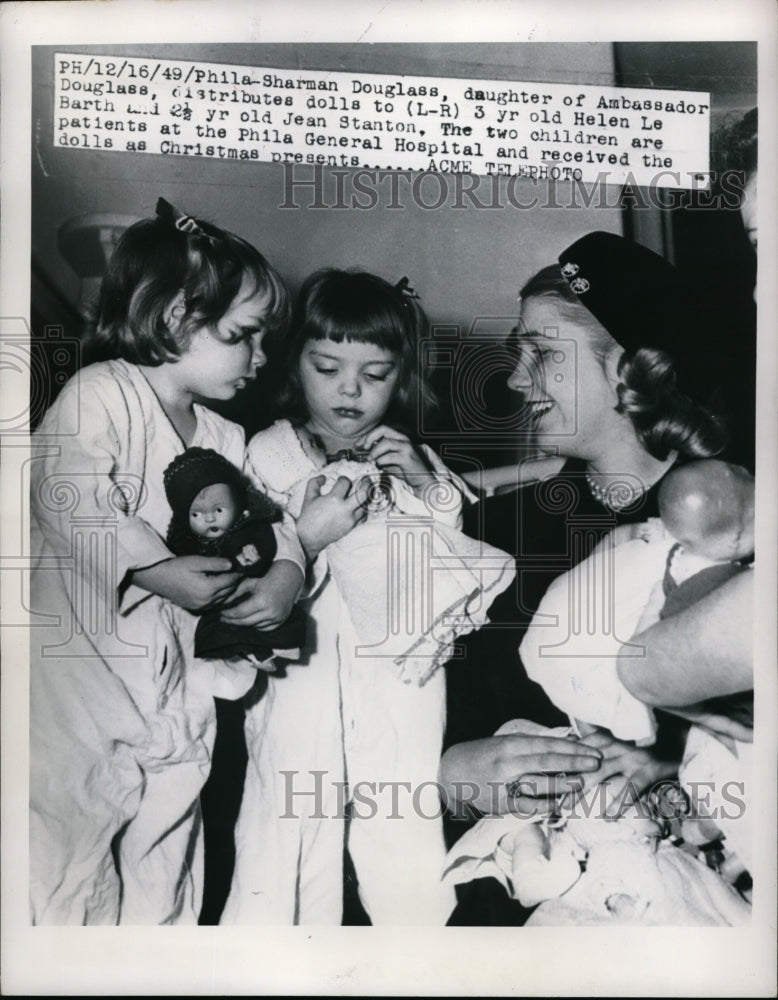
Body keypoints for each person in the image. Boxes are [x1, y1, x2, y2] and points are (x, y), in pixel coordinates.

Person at [440, 230, 735, 925]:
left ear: (631, 370)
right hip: (514, 897)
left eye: (541, 354)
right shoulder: (493, 534)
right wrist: (449, 776)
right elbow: (410, 724)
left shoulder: (737, 529)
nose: (515, 380)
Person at [29, 197, 309, 924]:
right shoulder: (103, 394)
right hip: (83, 685)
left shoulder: (225, 435)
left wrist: (276, 582)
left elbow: (268, 526)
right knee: (68, 858)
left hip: (179, 693)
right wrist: (155, 572)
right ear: (180, 316)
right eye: (244, 336)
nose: (260, 358)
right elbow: (68, 495)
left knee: (168, 865)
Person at [222, 268, 515, 926]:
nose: (350, 389)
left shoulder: (409, 459)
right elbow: (242, 561)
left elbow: (452, 556)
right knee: (288, 827)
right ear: (292, 363)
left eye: (375, 374)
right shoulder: (262, 456)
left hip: (398, 680)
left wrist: (426, 484)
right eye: (327, 367)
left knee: (404, 826)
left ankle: (422, 957)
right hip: (300, 673)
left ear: (401, 376)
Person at [163, 446, 306, 663]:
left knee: (271, 618)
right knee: (220, 629)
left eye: (218, 510)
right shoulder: (187, 543)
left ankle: (273, 648)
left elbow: (277, 537)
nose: (209, 519)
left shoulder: (251, 524)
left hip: (259, 584)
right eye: (196, 514)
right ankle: (243, 652)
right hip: (220, 603)